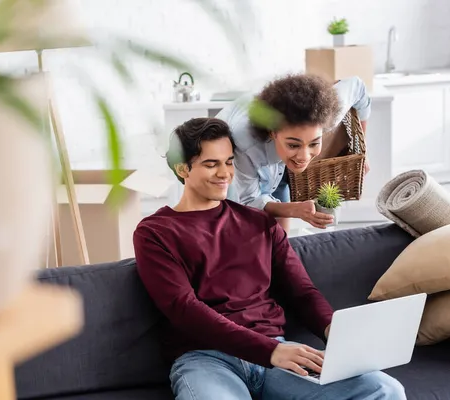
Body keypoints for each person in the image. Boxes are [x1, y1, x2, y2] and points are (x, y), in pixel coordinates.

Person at [132, 117, 404, 400]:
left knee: (384, 389)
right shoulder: (154, 232)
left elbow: (301, 292)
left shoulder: (259, 222)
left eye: (228, 162)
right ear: (182, 169)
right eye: (211, 164)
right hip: (207, 360)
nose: (224, 173)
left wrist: (332, 329)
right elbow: (184, 309)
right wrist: (270, 351)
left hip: (277, 357)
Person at [216, 74, 371, 232]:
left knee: (282, 237)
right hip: (237, 165)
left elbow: (357, 87)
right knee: (246, 230)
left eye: (314, 143)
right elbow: (249, 200)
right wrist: (295, 209)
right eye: (293, 145)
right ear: (272, 132)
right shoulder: (244, 143)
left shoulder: (326, 117)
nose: (304, 157)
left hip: (277, 158)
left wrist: (362, 152)